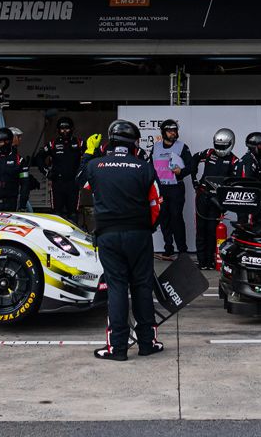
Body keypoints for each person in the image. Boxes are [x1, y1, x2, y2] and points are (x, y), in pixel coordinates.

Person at [82, 119, 162, 361]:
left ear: (110, 141)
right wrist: (148, 228)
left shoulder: (95, 165)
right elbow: (157, 204)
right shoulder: (144, 167)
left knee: (117, 288)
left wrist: (88, 154)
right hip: (139, 235)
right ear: (134, 144)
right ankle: (147, 343)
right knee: (142, 287)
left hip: (108, 235)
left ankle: (117, 348)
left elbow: (81, 183)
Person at [192, 128, 241, 270]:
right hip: (202, 195)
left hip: (217, 200)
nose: (219, 149)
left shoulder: (234, 161)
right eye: (217, 145)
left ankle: (212, 260)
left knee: (212, 230)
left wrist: (225, 201)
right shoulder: (208, 153)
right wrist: (194, 179)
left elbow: (235, 184)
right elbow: (194, 159)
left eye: (223, 146)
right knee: (200, 229)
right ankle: (202, 262)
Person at [149, 118, 195, 260]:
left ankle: (182, 250)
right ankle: (168, 249)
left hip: (176, 188)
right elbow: (150, 167)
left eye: (174, 130)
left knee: (176, 217)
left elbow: (192, 166)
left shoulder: (182, 147)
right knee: (163, 218)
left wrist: (181, 172)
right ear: (163, 132)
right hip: (161, 188)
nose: (173, 133)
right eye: (169, 131)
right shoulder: (155, 147)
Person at [39, 116, 83, 223]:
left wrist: (83, 173)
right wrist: (47, 172)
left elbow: (91, 156)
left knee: (73, 213)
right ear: (58, 130)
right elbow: (39, 157)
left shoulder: (79, 143)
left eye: (67, 128)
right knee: (56, 213)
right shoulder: (53, 144)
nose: (64, 131)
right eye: (62, 129)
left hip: (73, 184)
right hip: (57, 184)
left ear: (72, 129)